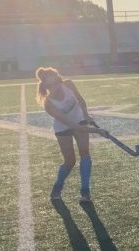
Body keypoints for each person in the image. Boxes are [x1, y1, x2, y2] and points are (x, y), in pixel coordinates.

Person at [36, 67, 107, 203]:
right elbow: (73, 126)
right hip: (63, 129)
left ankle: (85, 192)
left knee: (85, 153)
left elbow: (81, 100)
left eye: (57, 81)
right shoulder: (48, 104)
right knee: (70, 161)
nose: (57, 86)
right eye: (52, 84)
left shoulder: (68, 84)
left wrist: (86, 115)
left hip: (80, 120)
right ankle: (58, 186)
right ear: (46, 86)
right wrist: (97, 131)